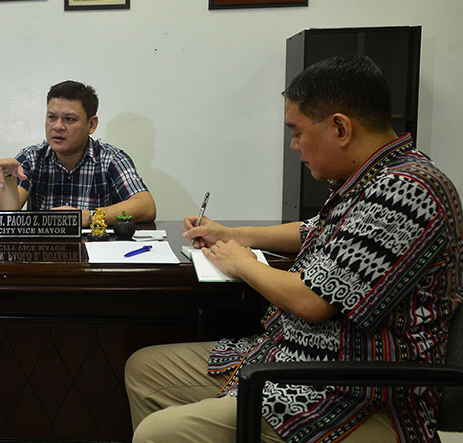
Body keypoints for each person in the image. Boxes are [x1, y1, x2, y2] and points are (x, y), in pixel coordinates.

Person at [124, 55, 463, 442]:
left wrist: (241, 263)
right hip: (291, 357)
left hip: (350, 391)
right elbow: (313, 230)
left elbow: (311, 302)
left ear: (340, 128)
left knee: (158, 434)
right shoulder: (370, 179)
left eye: (298, 131)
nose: (293, 144)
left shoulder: (408, 189)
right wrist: (234, 235)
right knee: (144, 369)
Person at [0, 80, 156, 227]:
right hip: (44, 257)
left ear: (91, 125)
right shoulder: (31, 158)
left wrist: (87, 216)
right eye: (52, 117)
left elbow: (145, 206)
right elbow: (6, 214)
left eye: (69, 119)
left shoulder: (111, 159)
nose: (58, 126)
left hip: (95, 256)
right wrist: (8, 177)